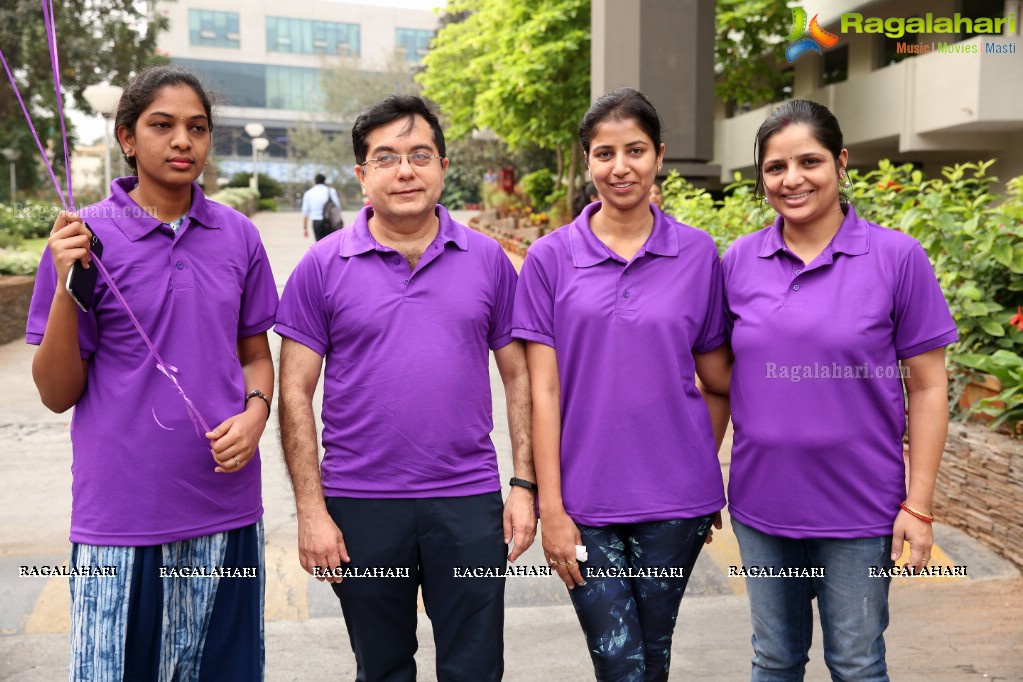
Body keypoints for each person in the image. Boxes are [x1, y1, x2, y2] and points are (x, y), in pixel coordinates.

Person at [26, 65, 278, 680]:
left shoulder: (238, 235)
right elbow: (57, 393)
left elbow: (255, 352)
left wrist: (256, 413)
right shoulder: (83, 237)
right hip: (120, 513)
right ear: (127, 138)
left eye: (197, 127)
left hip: (225, 505)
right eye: (161, 126)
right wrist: (66, 286)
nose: (183, 141)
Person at [275, 94, 535, 681]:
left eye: (420, 154)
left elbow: (519, 374)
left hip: (466, 503)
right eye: (386, 158)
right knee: (382, 667)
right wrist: (311, 509)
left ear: (443, 165)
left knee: (475, 668)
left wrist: (523, 485)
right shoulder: (321, 267)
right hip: (360, 506)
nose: (406, 170)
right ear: (362, 175)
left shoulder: (488, 260)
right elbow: (295, 393)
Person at [722, 99, 958, 681]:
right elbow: (718, 379)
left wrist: (919, 506)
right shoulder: (737, 262)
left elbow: (928, 388)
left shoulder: (897, 258)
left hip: (860, 511)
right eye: (775, 167)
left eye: (810, 161)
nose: (792, 179)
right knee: (774, 660)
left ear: (841, 162)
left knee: (855, 663)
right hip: (762, 507)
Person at [513, 87, 730, 681]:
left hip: (675, 505)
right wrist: (550, 507)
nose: (620, 167)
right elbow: (544, 393)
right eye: (604, 153)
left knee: (653, 654)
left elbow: (718, 381)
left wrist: (699, 471)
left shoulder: (697, 253)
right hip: (585, 504)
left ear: (659, 155)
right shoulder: (550, 259)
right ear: (587, 162)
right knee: (618, 660)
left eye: (634, 150)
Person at [301, 173, 342, 241]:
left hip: (316, 222)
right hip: (329, 221)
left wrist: (305, 228)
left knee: (319, 244)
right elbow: (337, 207)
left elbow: (305, 212)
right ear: (324, 181)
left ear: (315, 181)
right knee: (330, 243)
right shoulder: (331, 191)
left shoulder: (308, 193)